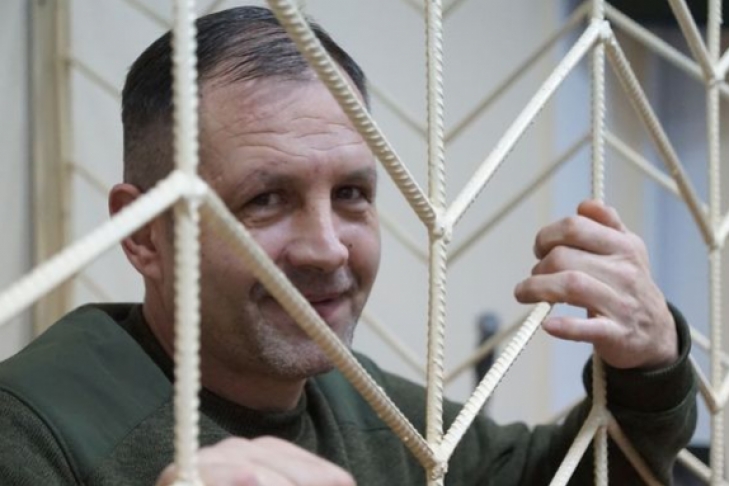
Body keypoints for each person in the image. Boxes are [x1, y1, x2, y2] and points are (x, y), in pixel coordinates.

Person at [0, 6, 696, 486]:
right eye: (265, 199)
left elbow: (561, 475)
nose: (327, 249)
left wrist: (650, 364)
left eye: (352, 194)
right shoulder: (30, 431)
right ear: (144, 233)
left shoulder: (371, 410)